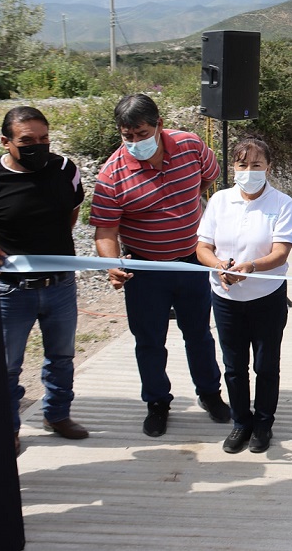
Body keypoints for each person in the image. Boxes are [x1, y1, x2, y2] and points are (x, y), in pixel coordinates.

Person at [90, 93, 230, 437]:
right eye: (128, 136)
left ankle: (210, 394)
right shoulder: (112, 175)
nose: (135, 142)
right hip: (145, 270)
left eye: (141, 133)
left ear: (159, 126)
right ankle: (157, 402)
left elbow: (207, 179)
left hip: (191, 263)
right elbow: (106, 230)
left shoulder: (191, 146)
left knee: (198, 333)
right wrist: (111, 264)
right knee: (149, 340)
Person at [0, 106, 89, 453]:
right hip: (10, 292)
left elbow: (72, 211)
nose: (38, 146)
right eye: (27, 141)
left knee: (61, 358)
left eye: (44, 138)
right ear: (6, 142)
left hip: (60, 286)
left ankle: (57, 415)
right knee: (7, 367)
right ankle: (9, 430)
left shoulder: (65, 170)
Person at [196, 137, 292, 454]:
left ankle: (264, 423)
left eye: (256, 165)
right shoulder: (219, 201)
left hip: (266, 297)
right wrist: (218, 266)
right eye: (242, 165)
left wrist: (250, 267)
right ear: (232, 168)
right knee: (234, 366)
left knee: (266, 366)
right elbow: (203, 247)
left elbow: (280, 253)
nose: (249, 172)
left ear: (268, 167)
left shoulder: (282, 204)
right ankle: (241, 422)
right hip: (225, 299)